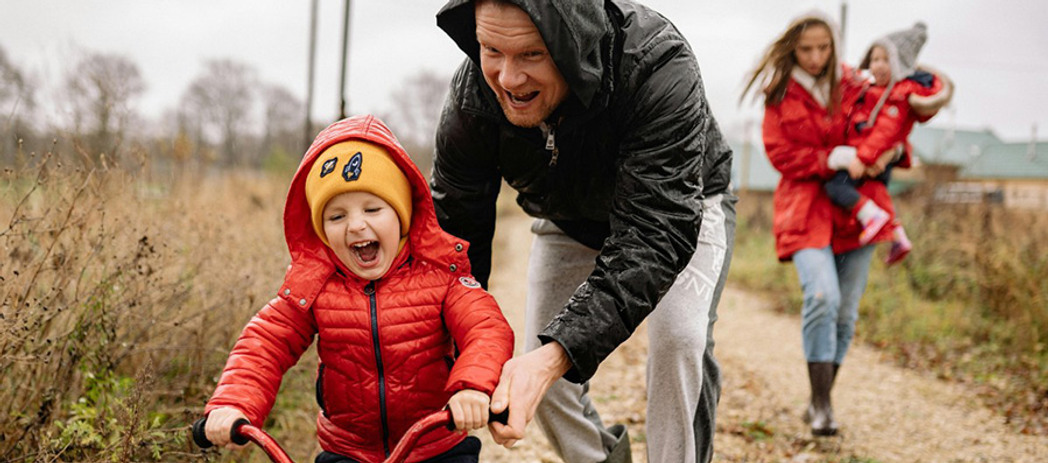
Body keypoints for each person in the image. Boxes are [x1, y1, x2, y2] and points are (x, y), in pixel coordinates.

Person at [432, 0, 735, 461]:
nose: (508, 78)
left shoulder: (657, 63)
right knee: (538, 369)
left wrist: (559, 354)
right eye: (491, 49)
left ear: (573, 42)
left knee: (679, 339)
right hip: (568, 216)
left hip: (680, 206)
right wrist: (460, 357)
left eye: (531, 55)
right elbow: (455, 239)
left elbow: (654, 234)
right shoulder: (473, 95)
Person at [201, 114, 515, 463]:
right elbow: (265, 343)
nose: (356, 225)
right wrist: (233, 402)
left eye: (372, 208)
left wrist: (471, 386)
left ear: (402, 213)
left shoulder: (439, 275)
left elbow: (487, 329)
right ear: (320, 229)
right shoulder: (315, 285)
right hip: (348, 450)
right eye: (336, 216)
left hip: (435, 443)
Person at [741, 11, 895, 436]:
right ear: (793, 47)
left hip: (856, 208)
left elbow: (891, 118)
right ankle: (823, 405)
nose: (814, 57)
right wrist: (827, 159)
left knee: (845, 313)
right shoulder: (780, 93)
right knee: (822, 296)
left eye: (822, 48)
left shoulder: (854, 83)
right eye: (806, 49)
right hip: (804, 207)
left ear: (834, 47)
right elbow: (779, 153)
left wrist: (890, 151)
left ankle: (818, 401)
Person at [827, 22, 953, 265]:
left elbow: (885, 133)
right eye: (874, 59)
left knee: (836, 187)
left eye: (886, 59)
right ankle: (897, 235)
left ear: (899, 65)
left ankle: (872, 218)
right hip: (870, 156)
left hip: (870, 157)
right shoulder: (871, 91)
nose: (878, 65)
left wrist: (863, 159)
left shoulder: (896, 96)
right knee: (876, 193)